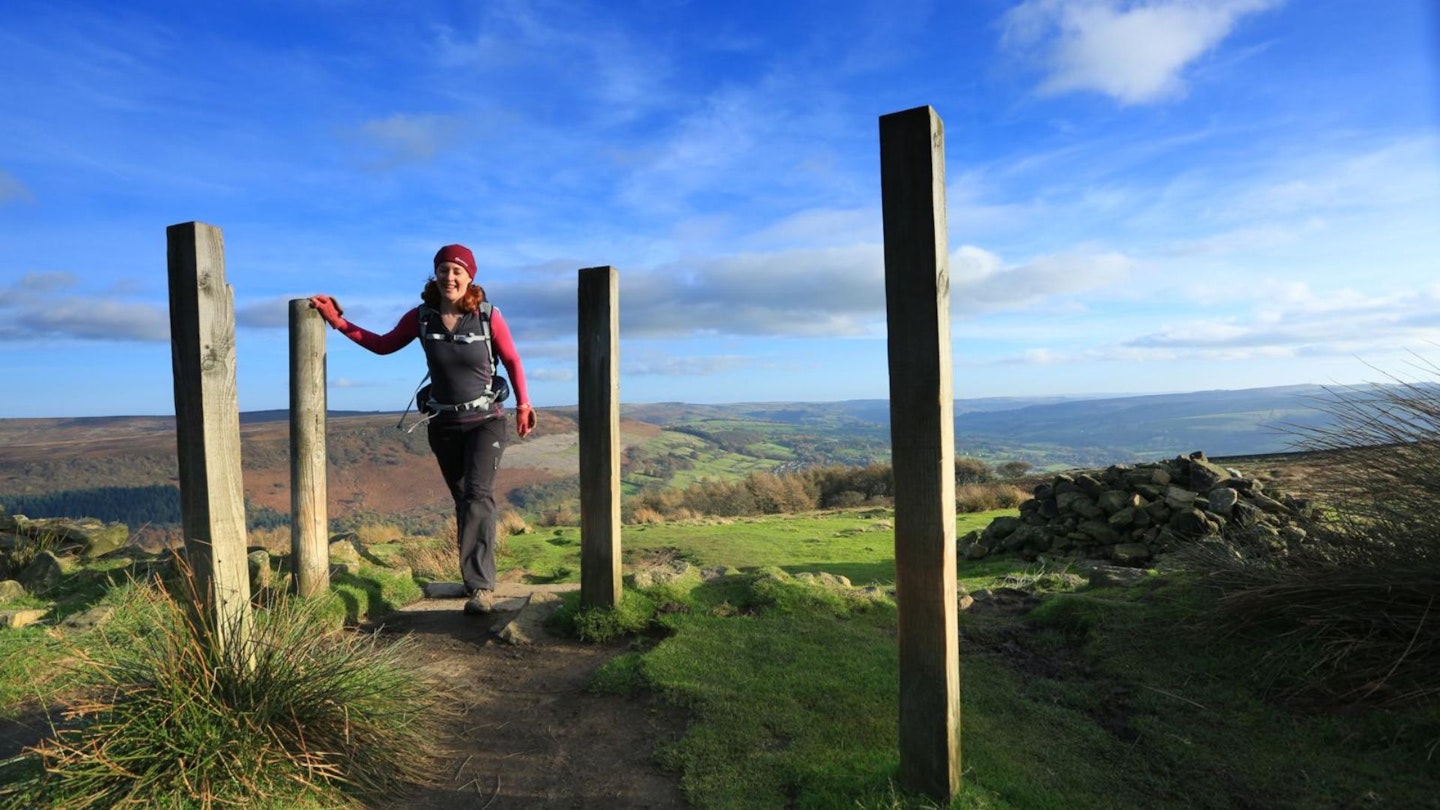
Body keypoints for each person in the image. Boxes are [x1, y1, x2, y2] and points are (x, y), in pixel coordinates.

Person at [308, 244, 536, 615]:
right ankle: (472, 579)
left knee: (478, 495)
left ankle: (481, 588)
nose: (450, 277)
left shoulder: (487, 316)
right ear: (436, 274)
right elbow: (382, 345)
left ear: (470, 277)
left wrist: (524, 404)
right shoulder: (421, 317)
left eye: (457, 271)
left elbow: (511, 359)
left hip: (485, 422)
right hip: (443, 423)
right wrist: (337, 321)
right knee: (463, 498)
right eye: (444, 270)